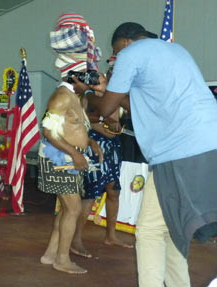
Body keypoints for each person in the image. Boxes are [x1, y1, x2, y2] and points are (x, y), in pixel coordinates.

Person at [82, 22, 217, 287]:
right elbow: (135, 105)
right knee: (171, 228)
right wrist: (107, 90)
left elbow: (106, 109)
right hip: (208, 142)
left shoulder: (130, 54)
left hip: (179, 150)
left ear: (124, 43)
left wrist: (87, 93)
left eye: (114, 53)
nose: (116, 60)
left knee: (150, 231)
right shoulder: (175, 51)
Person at [38, 13, 102, 275]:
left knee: (67, 209)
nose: (91, 77)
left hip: (69, 159)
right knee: (73, 209)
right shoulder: (60, 97)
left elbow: (76, 127)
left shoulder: (76, 97)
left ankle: (51, 254)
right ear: (74, 75)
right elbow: (49, 132)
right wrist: (75, 156)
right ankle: (62, 259)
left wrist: (90, 145)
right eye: (87, 74)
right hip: (60, 159)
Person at [70, 56, 133, 259]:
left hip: (113, 147)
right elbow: (82, 117)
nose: (102, 81)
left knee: (113, 190)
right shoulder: (88, 96)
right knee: (90, 194)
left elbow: (118, 117)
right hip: (95, 146)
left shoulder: (117, 92)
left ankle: (111, 235)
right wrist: (104, 118)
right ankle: (76, 239)